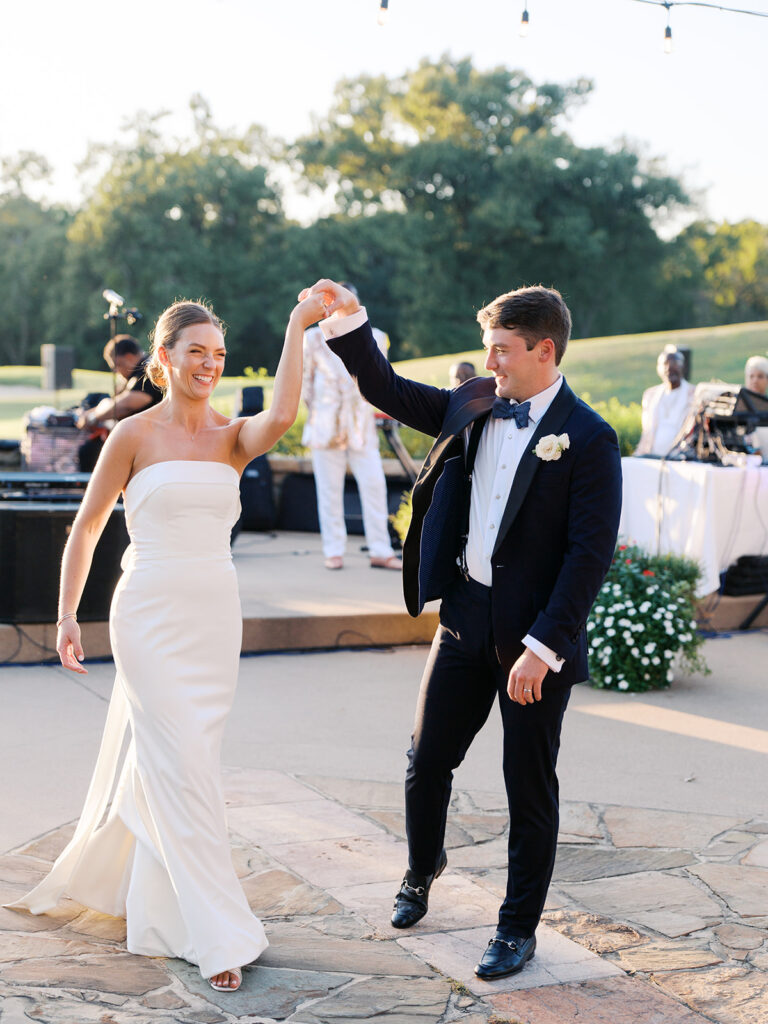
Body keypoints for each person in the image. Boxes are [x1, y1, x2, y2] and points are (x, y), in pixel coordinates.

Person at [301, 279, 622, 979]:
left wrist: (544, 647)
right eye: (489, 350)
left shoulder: (590, 438)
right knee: (426, 760)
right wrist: (349, 315)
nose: (491, 363)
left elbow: (588, 556)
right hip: (464, 618)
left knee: (526, 785)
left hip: (535, 640)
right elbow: (384, 388)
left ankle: (516, 928)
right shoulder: (476, 402)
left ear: (544, 349)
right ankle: (421, 870)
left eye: (502, 351)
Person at [5, 292, 325, 992]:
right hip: (147, 613)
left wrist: (297, 326)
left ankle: (160, 903)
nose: (209, 364)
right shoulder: (132, 436)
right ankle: (213, 932)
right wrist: (66, 617)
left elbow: (284, 413)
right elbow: (87, 527)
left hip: (213, 617)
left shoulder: (234, 437)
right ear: (163, 360)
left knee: (191, 765)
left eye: (217, 354)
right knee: (178, 761)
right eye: (195, 353)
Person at [302, 282, 401, 571]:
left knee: (374, 485)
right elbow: (305, 384)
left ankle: (381, 550)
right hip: (325, 425)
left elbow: (382, 379)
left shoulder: (377, 336)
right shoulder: (312, 338)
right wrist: (320, 413)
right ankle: (333, 550)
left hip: (361, 427)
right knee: (328, 490)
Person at [77, 336, 164, 471]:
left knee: (89, 451)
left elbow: (128, 403)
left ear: (129, 357)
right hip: (141, 437)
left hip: (150, 441)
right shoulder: (137, 372)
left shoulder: (148, 370)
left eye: (117, 365)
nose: (117, 371)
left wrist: (94, 417)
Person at [635, 347, 696, 457]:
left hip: (681, 458)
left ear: (684, 367)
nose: (669, 368)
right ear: (658, 368)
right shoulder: (650, 394)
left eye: (675, 364)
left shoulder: (694, 394)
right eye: (665, 364)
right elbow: (647, 432)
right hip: (651, 457)